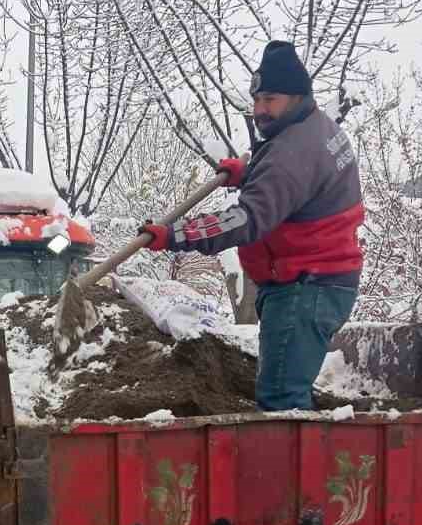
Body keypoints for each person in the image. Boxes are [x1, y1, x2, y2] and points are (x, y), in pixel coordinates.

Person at [143, 40, 363, 412]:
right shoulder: (313, 128)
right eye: (256, 98)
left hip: (305, 288)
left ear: (297, 95)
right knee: (287, 391)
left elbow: (245, 221)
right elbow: (301, 187)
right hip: (318, 280)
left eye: (270, 99)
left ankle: (291, 470)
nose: (259, 109)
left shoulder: (291, 154)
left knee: (282, 402)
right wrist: (249, 173)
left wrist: (174, 235)